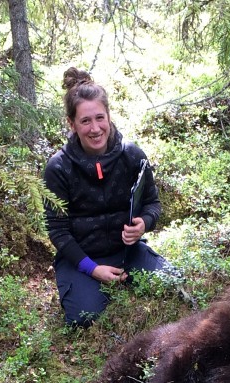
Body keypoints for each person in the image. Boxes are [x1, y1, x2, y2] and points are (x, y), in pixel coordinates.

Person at [44, 67, 167, 327]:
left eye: (100, 118)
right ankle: (85, 286)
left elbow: (153, 204)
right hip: (81, 259)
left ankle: (125, 276)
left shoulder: (132, 156)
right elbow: (58, 231)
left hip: (128, 252)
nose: (95, 128)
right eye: (85, 121)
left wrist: (144, 223)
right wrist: (93, 269)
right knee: (83, 319)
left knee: (171, 286)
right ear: (71, 124)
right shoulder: (58, 168)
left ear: (109, 116)